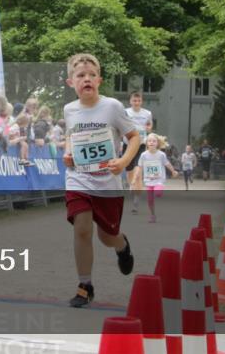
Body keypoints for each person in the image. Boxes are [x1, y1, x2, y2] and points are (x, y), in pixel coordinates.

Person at [62, 53, 138, 308]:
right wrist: (68, 153)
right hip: (78, 179)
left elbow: (134, 137)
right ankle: (85, 286)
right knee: (82, 229)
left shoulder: (112, 106)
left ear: (99, 80)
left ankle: (122, 245)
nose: (87, 79)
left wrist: (123, 162)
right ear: (71, 82)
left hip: (107, 183)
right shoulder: (69, 109)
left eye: (92, 75)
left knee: (107, 237)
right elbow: (71, 135)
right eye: (81, 75)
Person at [133, 134, 178, 223]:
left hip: (159, 180)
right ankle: (152, 215)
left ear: (158, 143)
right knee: (150, 201)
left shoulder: (161, 155)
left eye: (154, 141)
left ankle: (158, 190)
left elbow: (167, 163)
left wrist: (173, 171)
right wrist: (135, 178)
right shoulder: (143, 155)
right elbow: (139, 167)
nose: (152, 142)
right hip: (148, 181)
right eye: (149, 141)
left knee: (158, 193)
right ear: (146, 143)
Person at [123, 91, 154, 212]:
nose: (136, 103)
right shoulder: (125, 112)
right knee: (129, 172)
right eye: (134, 101)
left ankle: (137, 198)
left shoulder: (147, 113)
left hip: (141, 145)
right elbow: (121, 126)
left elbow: (149, 126)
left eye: (139, 101)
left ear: (141, 101)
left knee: (138, 171)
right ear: (130, 101)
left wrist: (149, 128)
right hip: (128, 144)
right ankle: (132, 188)